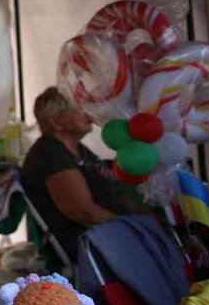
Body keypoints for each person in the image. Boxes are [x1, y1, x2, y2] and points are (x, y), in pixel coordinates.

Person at [21, 87, 148, 263]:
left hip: (114, 236)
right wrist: (134, 228)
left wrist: (143, 217)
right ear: (56, 122)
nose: (88, 113)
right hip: (93, 247)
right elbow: (84, 212)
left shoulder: (79, 151)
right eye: (80, 109)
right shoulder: (49, 154)